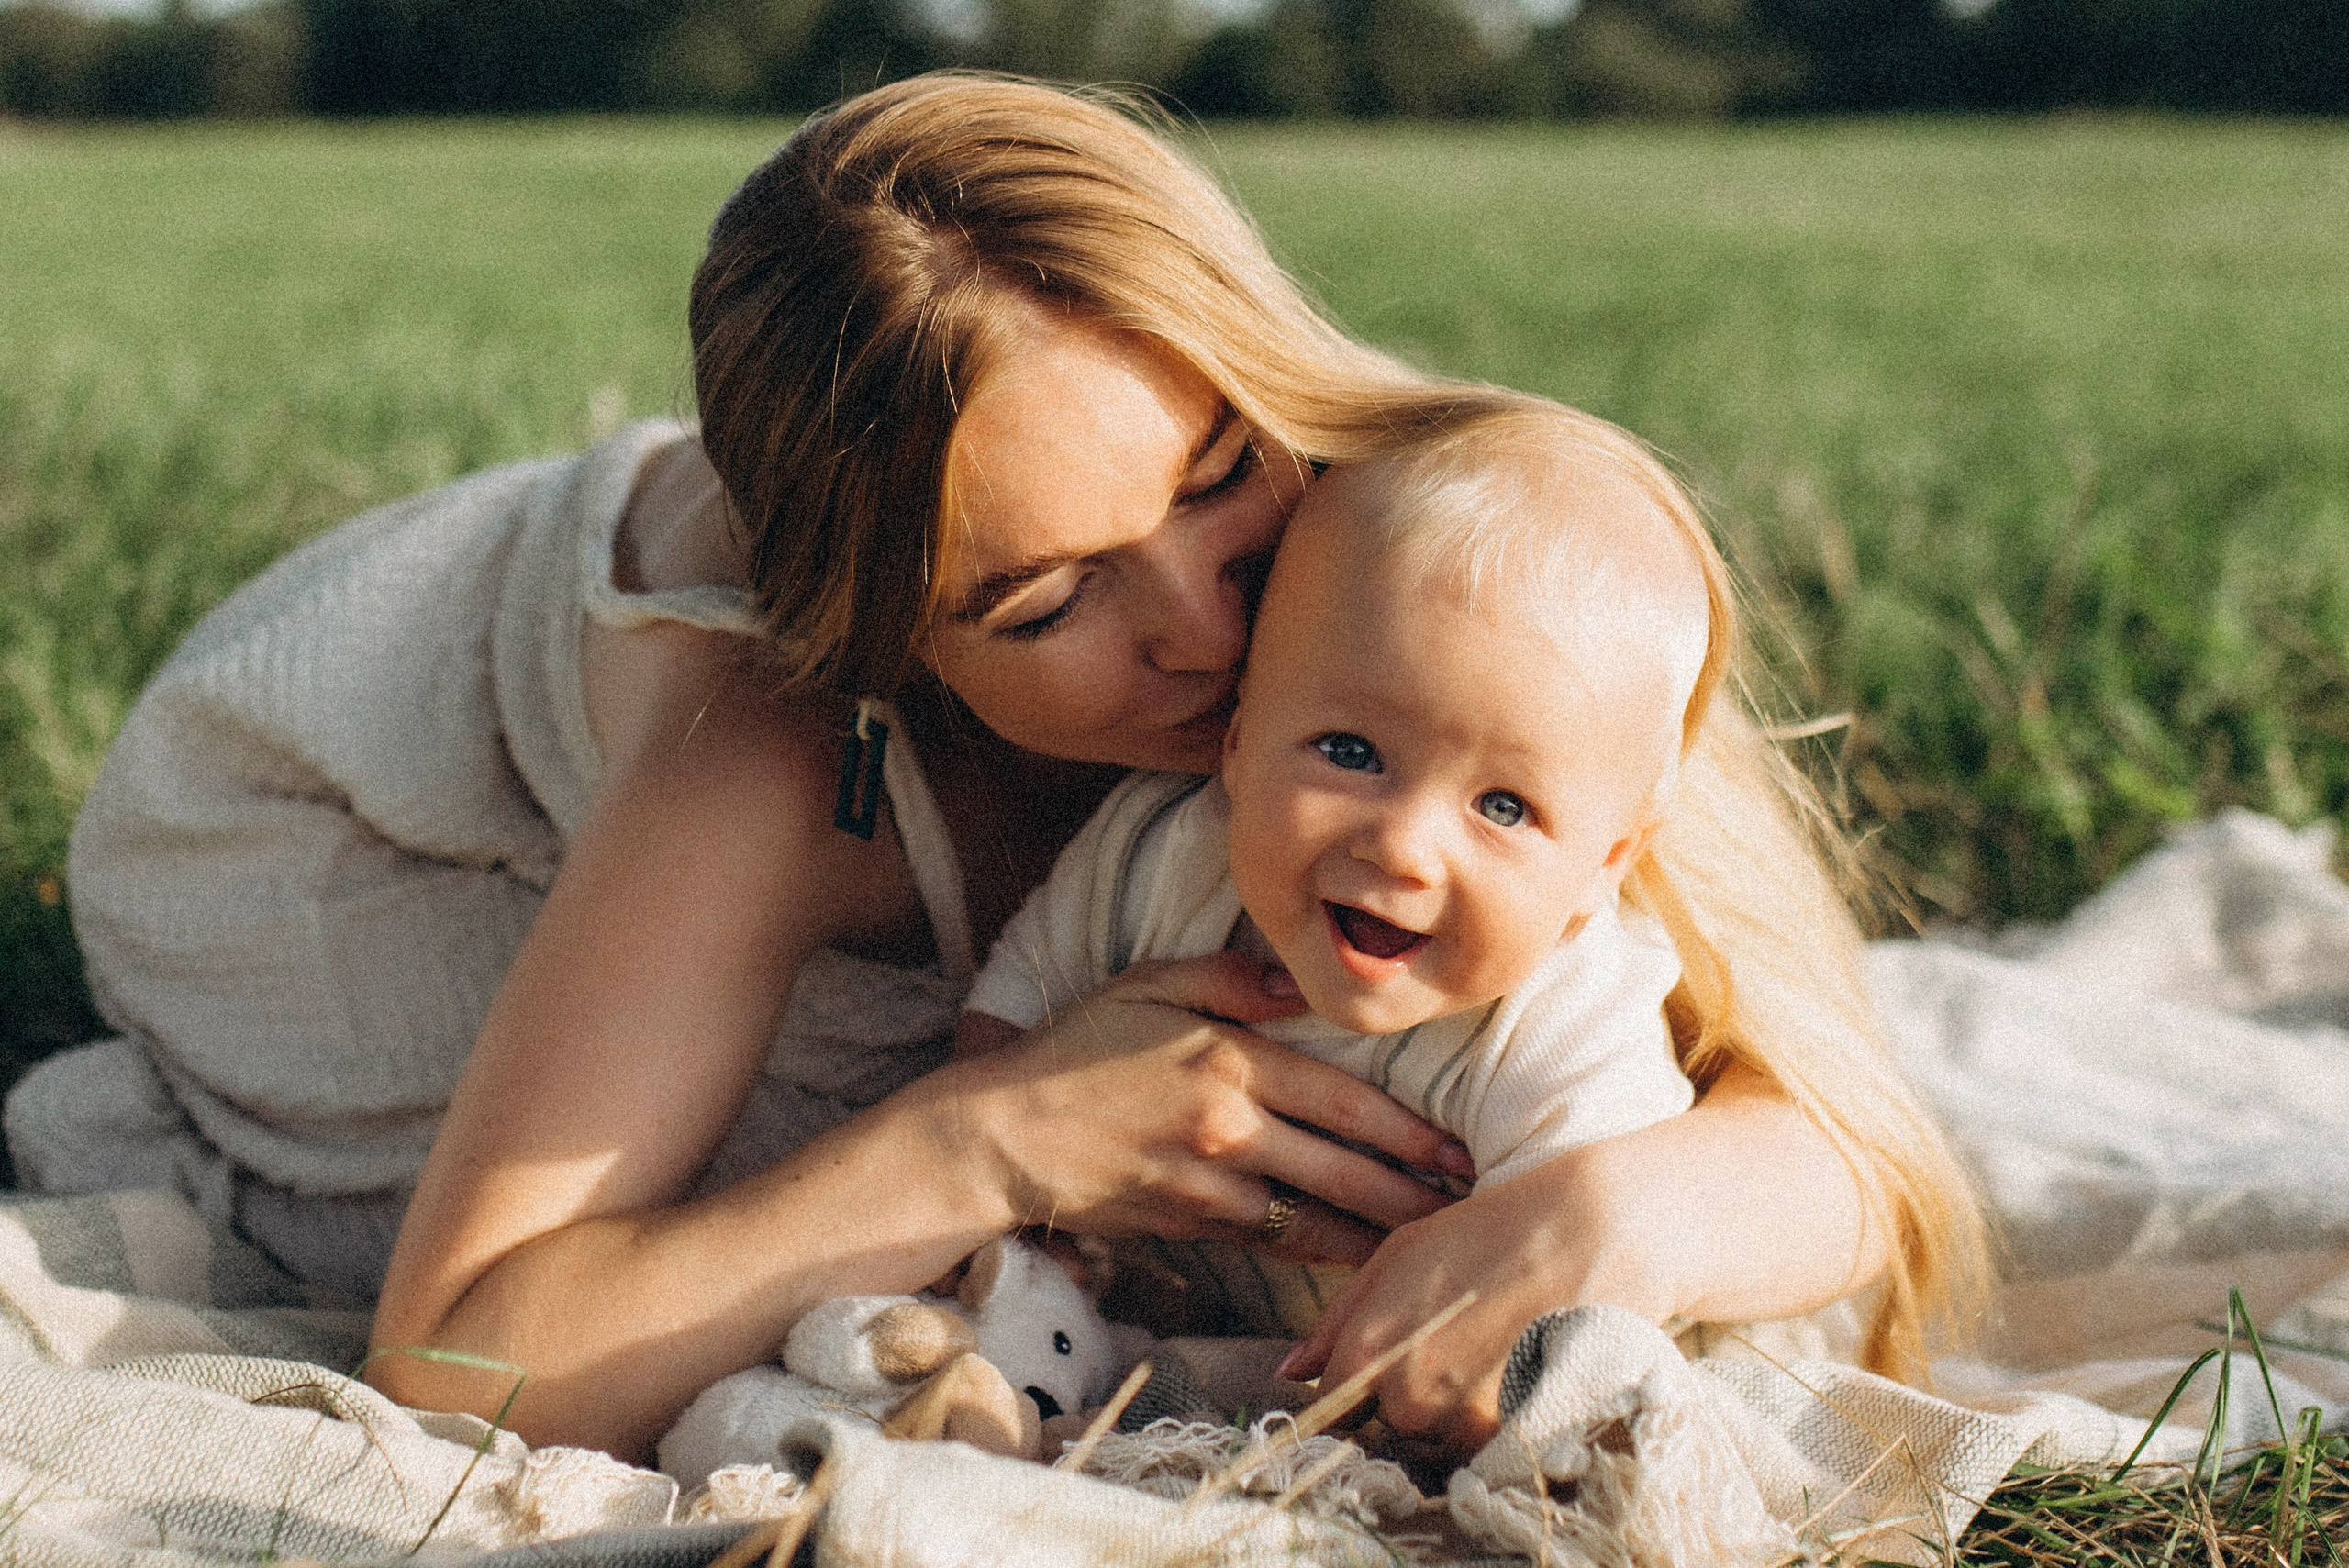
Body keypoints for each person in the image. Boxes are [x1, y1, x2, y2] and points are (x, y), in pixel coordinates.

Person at [15, 72, 1979, 1465]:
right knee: (799, 1196)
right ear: (893, 647)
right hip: (320, 843)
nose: (1204, 631)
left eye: (1217, 482)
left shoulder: (1414, 558)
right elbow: (460, 1362)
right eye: (1044, 603)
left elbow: (1833, 1137)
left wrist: (1611, 1215)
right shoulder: (771, 741)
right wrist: (995, 1127)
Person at [954, 395, 1723, 1340]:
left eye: (1503, 807)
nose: (1402, 845)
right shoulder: (1160, 856)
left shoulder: (1563, 1027)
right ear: (1236, 742)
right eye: (1350, 752)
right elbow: (1004, 1023)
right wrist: (1022, 1225)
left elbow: (1574, 1285)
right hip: (1170, 1338)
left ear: (1604, 863)